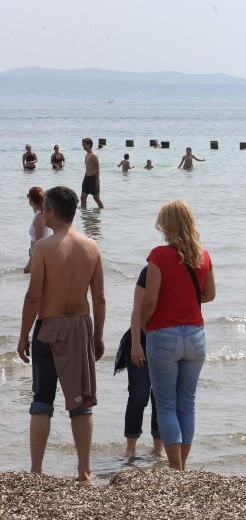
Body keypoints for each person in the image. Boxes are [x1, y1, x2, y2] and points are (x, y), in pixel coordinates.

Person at [17, 186, 106, 481]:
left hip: (49, 325)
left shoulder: (43, 248)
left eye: (45, 210)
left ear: (52, 212)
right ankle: (84, 469)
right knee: (81, 403)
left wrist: (23, 335)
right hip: (80, 325)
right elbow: (100, 298)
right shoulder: (92, 247)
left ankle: (36, 469)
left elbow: (33, 296)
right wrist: (99, 336)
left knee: (42, 399)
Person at [140, 200, 215, 471]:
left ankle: (176, 470)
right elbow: (209, 294)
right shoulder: (203, 254)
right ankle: (182, 465)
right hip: (195, 335)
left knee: (166, 404)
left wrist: (143, 325)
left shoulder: (158, 256)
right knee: (187, 403)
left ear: (166, 225)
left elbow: (149, 301)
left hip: (164, 334)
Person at [122, 265, 162, 459]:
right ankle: (130, 447)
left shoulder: (181, 271)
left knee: (161, 397)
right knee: (139, 395)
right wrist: (136, 343)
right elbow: (137, 309)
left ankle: (158, 448)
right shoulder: (149, 271)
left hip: (165, 341)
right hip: (141, 339)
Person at [23, 187, 52, 274]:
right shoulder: (39, 214)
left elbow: (38, 242)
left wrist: (30, 263)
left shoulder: (39, 217)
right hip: (36, 252)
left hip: (39, 254)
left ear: (31, 200)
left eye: (28, 196)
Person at [80, 138, 104, 209]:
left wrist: (97, 181)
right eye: (82, 144)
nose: (83, 146)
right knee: (83, 197)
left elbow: (97, 169)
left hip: (93, 178)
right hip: (86, 178)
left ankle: (102, 211)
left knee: (96, 198)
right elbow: (87, 168)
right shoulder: (86, 155)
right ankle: (84, 214)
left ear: (89, 144)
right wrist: (84, 180)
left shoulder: (93, 155)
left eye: (84, 144)